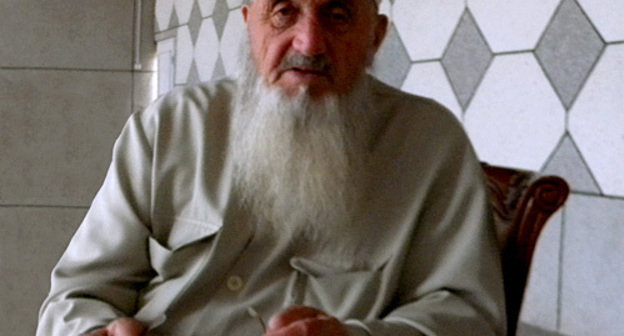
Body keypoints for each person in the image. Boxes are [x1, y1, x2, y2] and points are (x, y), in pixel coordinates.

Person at [37, 0, 506, 335]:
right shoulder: (168, 127)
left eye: (337, 14)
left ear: (375, 37)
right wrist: (95, 331)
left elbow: (470, 318)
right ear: (250, 25)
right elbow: (76, 295)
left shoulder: (430, 143)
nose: (309, 41)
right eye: (284, 11)